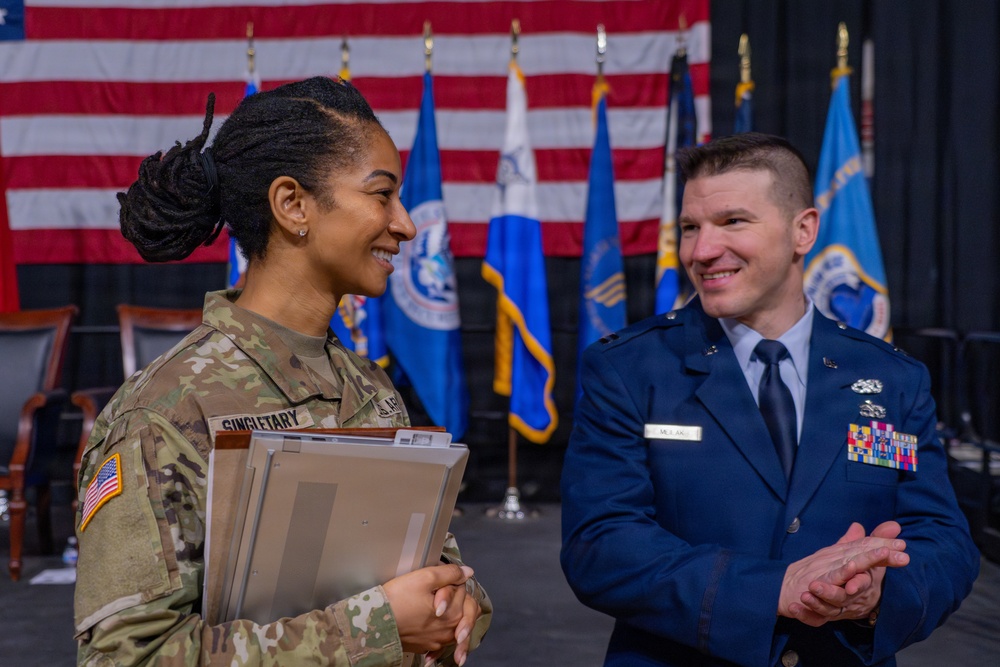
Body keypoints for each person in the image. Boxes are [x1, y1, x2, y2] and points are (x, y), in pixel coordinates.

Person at [74, 77, 491, 667]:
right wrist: (375, 629)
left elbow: (437, 568)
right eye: (382, 195)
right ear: (293, 204)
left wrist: (459, 600)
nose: (406, 225)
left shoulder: (369, 390)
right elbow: (127, 657)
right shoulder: (167, 410)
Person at [560, 133, 979, 667]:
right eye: (691, 227)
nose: (701, 251)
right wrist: (773, 590)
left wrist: (877, 598)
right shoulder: (628, 369)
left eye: (733, 221)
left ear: (803, 230)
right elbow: (600, 544)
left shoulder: (890, 378)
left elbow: (942, 538)